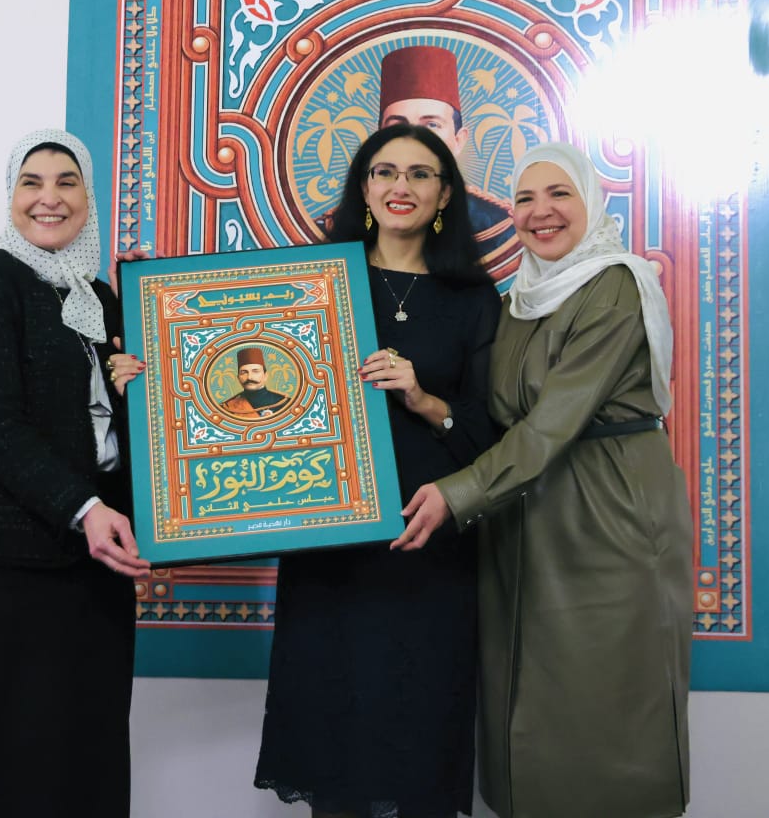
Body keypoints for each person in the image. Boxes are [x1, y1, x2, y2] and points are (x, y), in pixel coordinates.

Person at [393, 141, 693, 818]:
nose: (540, 212)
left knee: (604, 716)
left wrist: (455, 494)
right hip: (521, 521)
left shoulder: (615, 285)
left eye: (559, 194)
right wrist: (426, 403)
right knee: (527, 712)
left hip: (607, 522)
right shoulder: (519, 300)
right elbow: (491, 415)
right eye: (525, 199)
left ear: (592, 201)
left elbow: (553, 423)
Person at [255, 122, 503, 818]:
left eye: (421, 174)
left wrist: (424, 399)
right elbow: (245, 386)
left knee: (420, 745)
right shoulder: (311, 284)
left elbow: (491, 437)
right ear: (363, 189)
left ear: (445, 194)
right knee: (335, 751)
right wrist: (153, 339)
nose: (402, 186)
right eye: (385, 172)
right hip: (331, 548)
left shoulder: (474, 298)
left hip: (426, 546)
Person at [0, 127, 151, 818]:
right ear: (11, 196)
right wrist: (86, 508)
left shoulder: (103, 301)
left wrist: (139, 385)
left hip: (90, 578)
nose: (49, 198)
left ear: (89, 198)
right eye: (32, 182)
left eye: (66, 182)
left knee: (84, 776)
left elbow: (109, 441)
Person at [377, 45, 518, 270]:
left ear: (459, 140)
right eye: (397, 126)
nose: (414, 139)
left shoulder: (496, 225)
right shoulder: (343, 223)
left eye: (432, 125)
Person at [220, 345, 293, 417]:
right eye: (244, 372)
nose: (249, 377)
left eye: (255, 371)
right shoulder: (228, 408)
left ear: (265, 375)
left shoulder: (285, 403)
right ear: (238, 378)